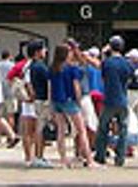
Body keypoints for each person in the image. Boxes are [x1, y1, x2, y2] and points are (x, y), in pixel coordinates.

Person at [49, 42, 93, 168]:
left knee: (61, 132)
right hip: (70, 101)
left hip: (57, 100)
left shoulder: (53, 68)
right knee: (81, 130)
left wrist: (50, 103)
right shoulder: (72, 69)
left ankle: (63, 159)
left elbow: (50, 87)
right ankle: (89, 160)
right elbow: (76, 87)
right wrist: (78, 101)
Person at [95, 35, 132, 166]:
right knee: (123, 129)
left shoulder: (107, 62)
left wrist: (104, 53)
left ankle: (100, 155)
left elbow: (103, 74)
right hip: (122, 98)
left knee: (102, 128)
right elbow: (129, 78)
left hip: (109, 99)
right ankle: (120, 157)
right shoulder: (127, 63)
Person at [21, 41, 53, 169]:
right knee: (40, 129)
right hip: (42, 100)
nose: (45, 51)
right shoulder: (40, 66)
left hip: (36, 101)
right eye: (43, 49)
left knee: (35, 129)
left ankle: (37, 156)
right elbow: (50, 82)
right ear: (37, 52)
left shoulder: (30, 66)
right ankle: (38, 157)